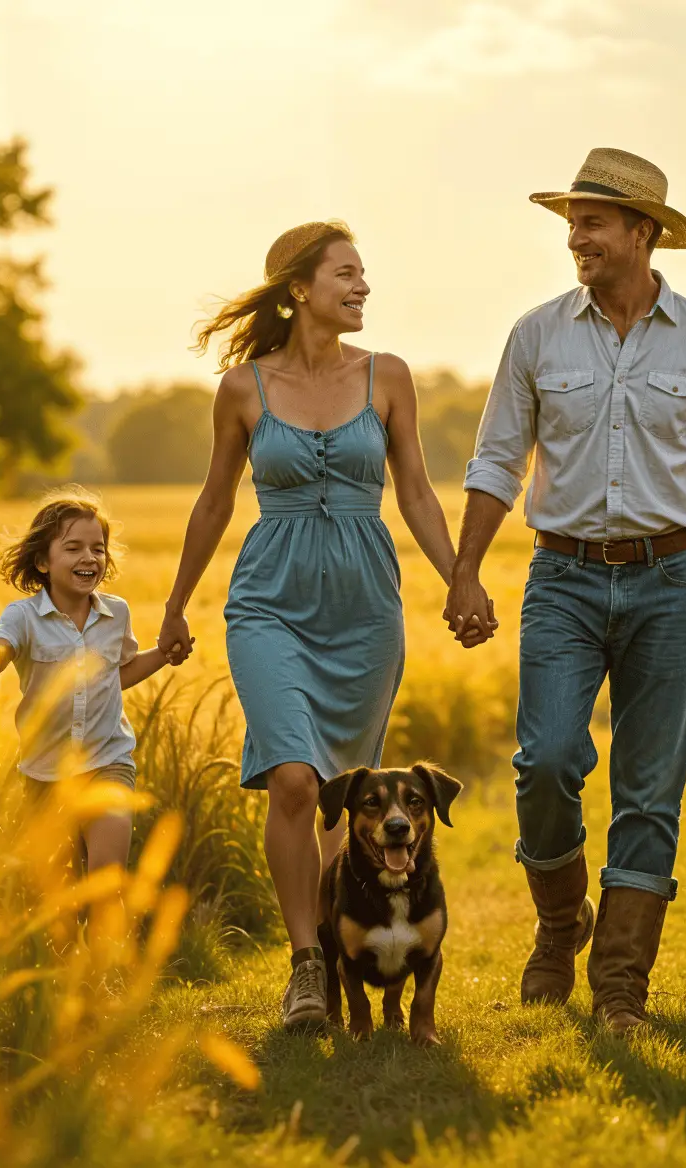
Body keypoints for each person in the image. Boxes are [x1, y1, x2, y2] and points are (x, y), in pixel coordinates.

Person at [443, 148, 686, 1032]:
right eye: (572, 222)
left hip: (670, 583)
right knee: (546, 761)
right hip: (563, 578)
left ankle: (621, 985)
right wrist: (467, 568)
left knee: (652, 787)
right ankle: (560, 921)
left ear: (644, 233)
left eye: (592, 222)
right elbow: (498, 460)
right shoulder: (536, 334)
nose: (576, 238)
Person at [158, 222, 463, 1028]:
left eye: (365, 275)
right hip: (270, 604)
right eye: (346, 274)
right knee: (293, 779)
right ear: (298, 289)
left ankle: (334, 952)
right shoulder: (242, 389)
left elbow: (419, 494)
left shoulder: (388, 376)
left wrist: (460, 578)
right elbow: (216, 500)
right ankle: (304, 963)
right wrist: (176, 602)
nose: (363, 288)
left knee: (338, 800)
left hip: (366, 611)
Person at [0, 488, 184, 876]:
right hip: (45, 773)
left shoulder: (116, 613)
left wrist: (163, 655)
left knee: (104, 877)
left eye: (98, 549)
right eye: (73, 548)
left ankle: (104, 935)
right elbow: (1, 645)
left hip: (108, 761)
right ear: (42, 561)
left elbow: (117, 675)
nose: (89, 557)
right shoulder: (24, 616)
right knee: (58, 887)